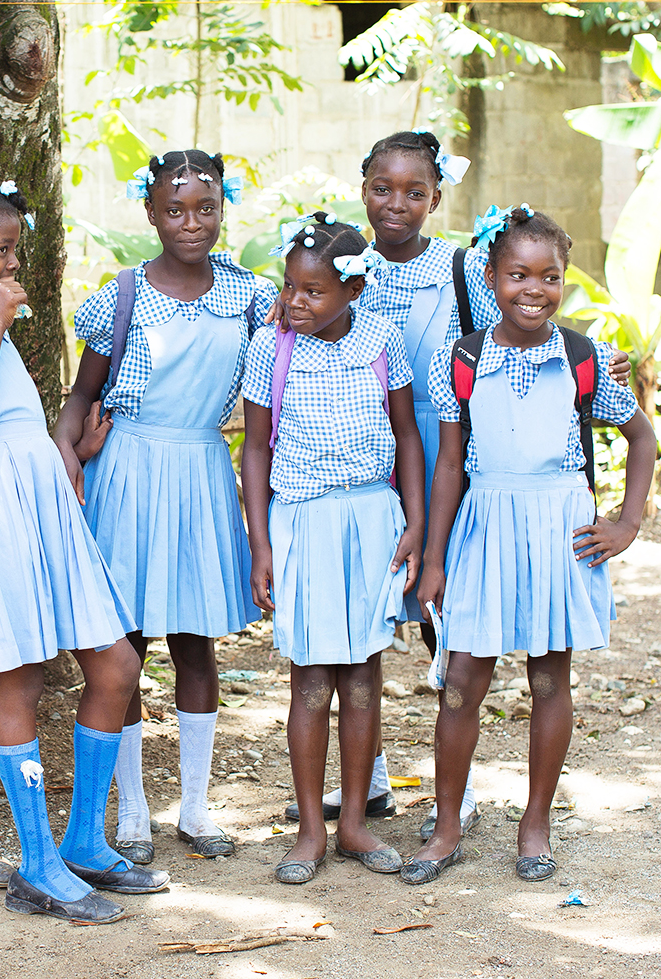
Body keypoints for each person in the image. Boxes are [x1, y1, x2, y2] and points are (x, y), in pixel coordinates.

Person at [297, 130, 632, 844]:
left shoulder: (462, 267)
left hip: (441, 443)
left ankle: (463, 788)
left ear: (436, 197)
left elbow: (515, 337)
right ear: (362, 189)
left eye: (414, 192)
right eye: (383, 190)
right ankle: (372, 775)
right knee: (364, 612)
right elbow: (305, 319)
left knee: (440, 615)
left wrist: (606, 371)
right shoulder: (342, 257)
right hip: (362, 448)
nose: (396, 204)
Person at [0, 166, 167, 925]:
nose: (13, 264)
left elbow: (11, 416)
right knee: (18, 684)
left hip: (42, 500)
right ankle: (38, 866)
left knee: (115, 664)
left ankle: (81, 841)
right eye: (2, 250)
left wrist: (67, 446)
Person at [403, 205, 655, 885]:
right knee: (461, 682)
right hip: (486, 521)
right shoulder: (463, 357)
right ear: (491, 278)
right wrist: (434, 559)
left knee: (550, 678)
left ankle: (535, 821)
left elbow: (642, 438)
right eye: (517, 275)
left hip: (559, 526)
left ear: (565, 282)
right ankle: (448, 823)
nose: (533, 290)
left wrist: (626, 523)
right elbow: (450, 464)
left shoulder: (585, 357)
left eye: (550, 277)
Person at [54, 150, 276, 863]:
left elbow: (294, 369)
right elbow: (81, 397)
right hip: (127, 472)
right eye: (174, 209)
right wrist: (67, 459)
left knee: (195, 644)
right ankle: (132, 813)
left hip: (202, 470)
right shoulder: (122, 296)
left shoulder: (249, 297)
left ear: (222, 211)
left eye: (205, 208)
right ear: (149, 212)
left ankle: (196, 807)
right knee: (126, 646)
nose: (191, 222)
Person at [239, 212, 425, 885]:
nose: (295, 301)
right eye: (290, 287)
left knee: (364, 676)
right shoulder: (272, 347)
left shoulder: (380, 339)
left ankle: (354, 822)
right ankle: (311, 830)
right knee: (312, 677)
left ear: (352, 290)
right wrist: (260, 544)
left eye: (313, 292)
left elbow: (406, 434)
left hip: (371, 516)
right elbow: (256, 448)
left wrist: (414, 520)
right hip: (303, 520)